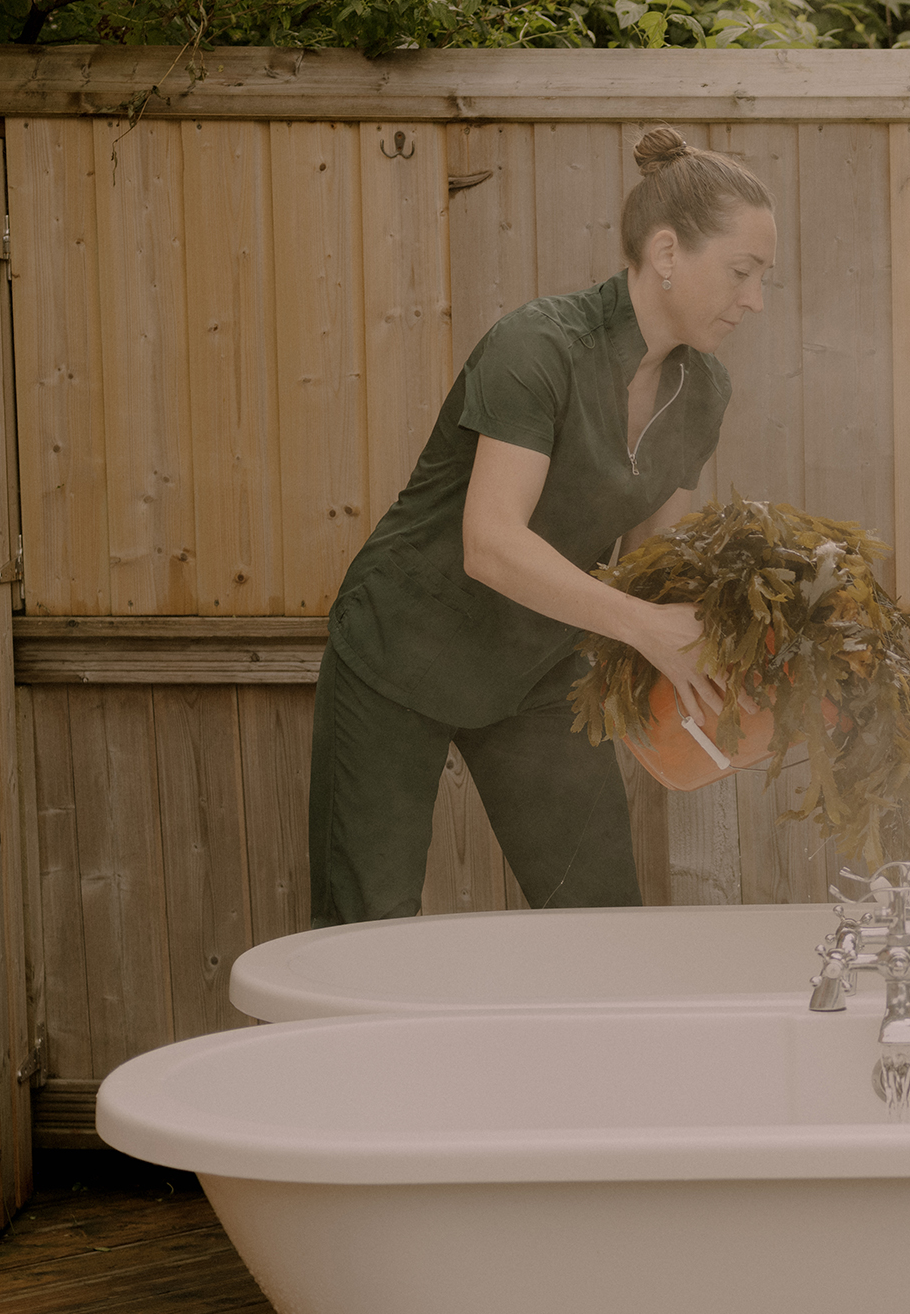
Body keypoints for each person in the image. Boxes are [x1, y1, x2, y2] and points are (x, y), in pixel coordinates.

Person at [306, 127, 775, 926]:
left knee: (600, 918)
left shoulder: (703, 390)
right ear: (666, 253)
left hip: (536, 669)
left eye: (763, 277)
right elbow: (491, 542)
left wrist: (742, 647)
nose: (755, 299)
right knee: (367, 928)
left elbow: (650, 570)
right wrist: (645, 625)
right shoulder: (539, 346)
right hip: (400, 648)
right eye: (741, 271)